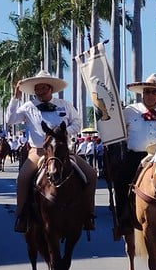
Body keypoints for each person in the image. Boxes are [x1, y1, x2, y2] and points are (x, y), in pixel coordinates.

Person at [7, 70, 93, 233]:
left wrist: (64, 132)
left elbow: (77, 123)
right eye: (37, 89)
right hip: (39, 152)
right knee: (23, 179)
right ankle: (22, 217)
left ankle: (88, 213)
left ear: (51, 89)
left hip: (63, 151)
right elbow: (10, 120)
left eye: (43, 88)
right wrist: (15, 98)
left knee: (91, 175)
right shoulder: (28, 107)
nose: (40, 91)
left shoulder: (64, 105)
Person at [113, 74, 156, 236]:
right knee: (120, 180)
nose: (149, 95)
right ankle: (124, 220)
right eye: (147, 92)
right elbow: (114, 129)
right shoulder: (129, 111)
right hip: (136, 156)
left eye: (154, 92)